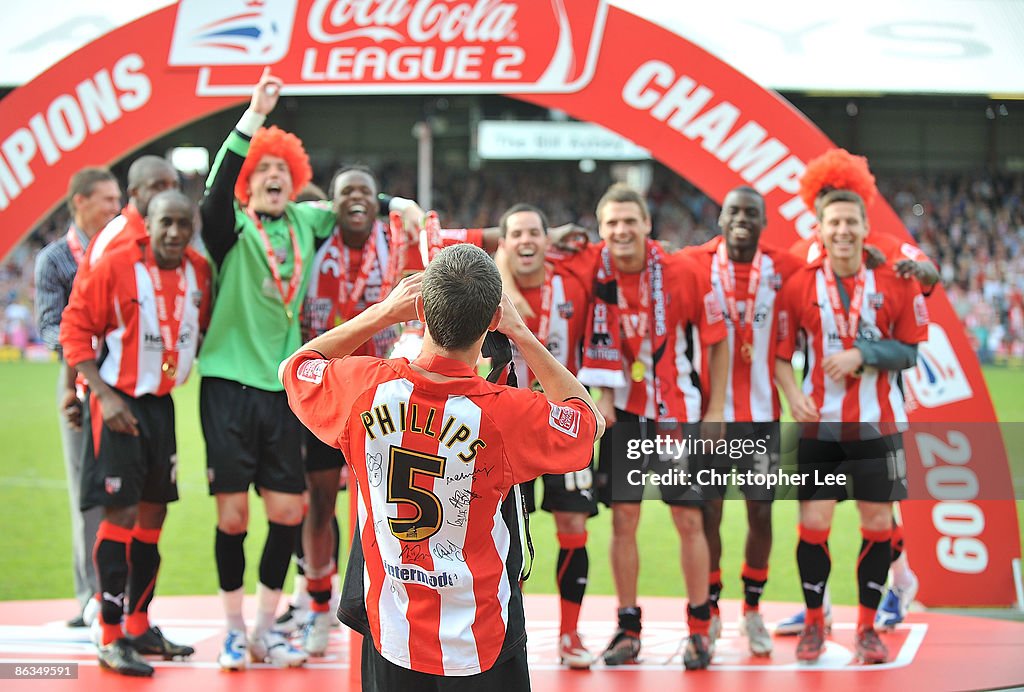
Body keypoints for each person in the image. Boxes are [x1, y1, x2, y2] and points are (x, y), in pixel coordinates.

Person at [281, 244, 603, 691]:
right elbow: (590, 421)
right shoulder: (505, 413)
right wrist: (522, 333)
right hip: (483, 635)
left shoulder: (365, 388)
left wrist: (381, 313)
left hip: (391, 630)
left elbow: (296, 366)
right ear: (493, 318)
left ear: (420, 311)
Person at [198, 69, 421, 670]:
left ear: (295, 184)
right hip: (226, 381)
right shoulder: (233, 228)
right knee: (233, 515)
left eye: (282, 174)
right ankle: (231, 628)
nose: (273, 180)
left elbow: (354, 205)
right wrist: (251, 118)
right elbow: (214, 198)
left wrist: (403, 206)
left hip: (284, 388)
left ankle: (267, 627)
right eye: (262, 173)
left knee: (290, 512)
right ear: (249, 183)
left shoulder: (305, 222)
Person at [774, 169, 928, 664]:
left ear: (866, 228)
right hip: (821, 426)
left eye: (850, 222)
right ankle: (816, 622)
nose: (842, 231)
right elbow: (780, 355)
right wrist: (792, 394)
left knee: (878, 525)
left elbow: (909, 351)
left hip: (878, 426)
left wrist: (863, 354)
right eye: (833, 222)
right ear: (819, 229)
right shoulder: (799, 283)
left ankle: (867, 629)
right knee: (813, 525)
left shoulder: (894, 279)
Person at [574, 183, 728, 670]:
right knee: (623, 521)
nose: (621, 230)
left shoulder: (683, 271)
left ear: (647, 224)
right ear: (601, 230)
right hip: (621, 414)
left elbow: (719, 339)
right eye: (611, 223)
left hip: (676, 413)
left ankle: (700, 627)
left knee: (689, 519)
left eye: (629, 221)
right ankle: (627, 626)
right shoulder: (590, 271)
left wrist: (717, 408)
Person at [60, 190, 209, 676]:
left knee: (153, 518)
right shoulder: (117, 265)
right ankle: (108, 633)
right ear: (148, 222)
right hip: (119, 405)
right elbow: (74, 328)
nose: (174, 233)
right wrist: (99, 395)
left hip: (161, 408)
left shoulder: (198, 271)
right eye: (165, 222)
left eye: (183, 224)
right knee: (119, 514)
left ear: (193, 228)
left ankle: (140, 624)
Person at [680, 186, 801, 657]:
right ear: (721, 217)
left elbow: (826, 264)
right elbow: (653, 260)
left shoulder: (782, 266)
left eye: (752, 212)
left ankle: (752, 610)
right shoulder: (694, 261)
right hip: (709, 418)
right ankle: (709, 610)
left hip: (762, 418)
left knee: (761, 512)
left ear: (764, 221)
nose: (742, 219)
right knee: (708, 511)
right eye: (734, 211)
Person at [499, 203, 597, 668]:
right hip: (511, 430)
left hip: (565, 424)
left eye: (534, 232)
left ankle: (570, 633)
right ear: (502, 243)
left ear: (547, 239)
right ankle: (506, 632)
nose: (526, 241)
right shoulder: (488, 289)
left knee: (574, 527)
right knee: (506, 538)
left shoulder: (572, 283)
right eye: (515, 233)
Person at [33, 167, 121, 627]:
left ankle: (122, 596)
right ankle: (91, 597)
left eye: (117, 198)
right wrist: (84, 333)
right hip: (81, 386)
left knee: (131, 493)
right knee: (86, 496)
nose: (115, 207)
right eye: (107, 199)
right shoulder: (54, 260)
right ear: (79, 201)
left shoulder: (123, 251)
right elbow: (50, 328)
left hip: (128, 386)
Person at [83, 156, 179, 273]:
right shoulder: (115, 239)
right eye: (159, 186)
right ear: (134, 192)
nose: (170, 194)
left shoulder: (178, 236)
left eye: (174, 186)